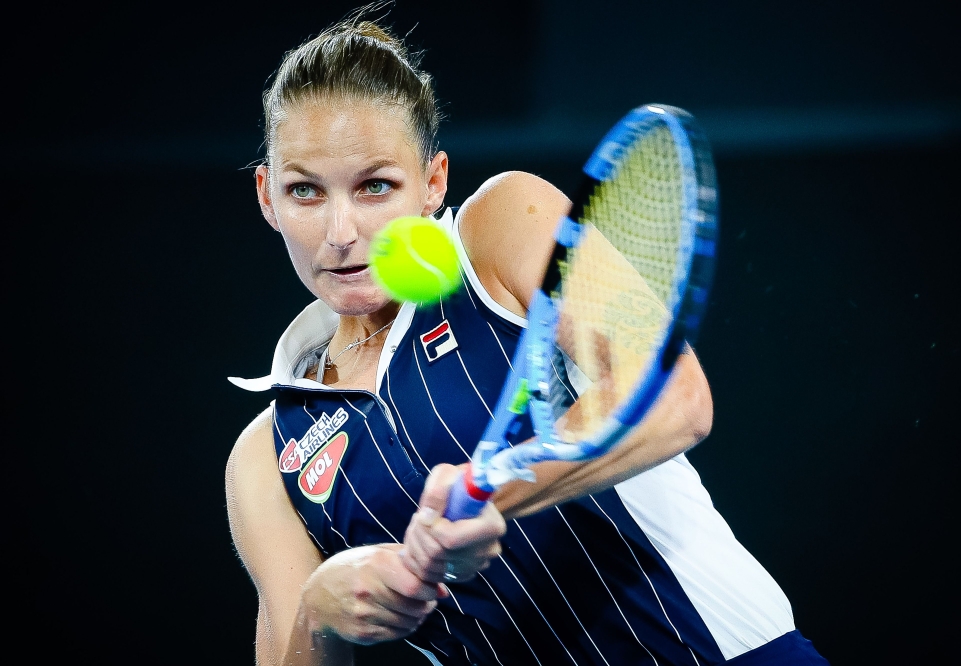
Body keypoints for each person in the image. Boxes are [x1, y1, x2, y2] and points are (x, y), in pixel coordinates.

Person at [225, 11, 829, 666]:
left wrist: (492, 493)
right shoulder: (266, 458)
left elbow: (674, 399)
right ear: (266, 196)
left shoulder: (500, 229)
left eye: (376, 186)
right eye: (305, 191)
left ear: (433, 183)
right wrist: (319, 612)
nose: (340, 233)